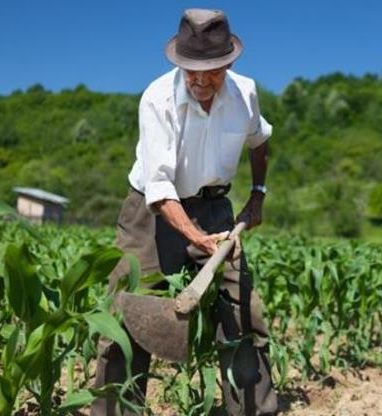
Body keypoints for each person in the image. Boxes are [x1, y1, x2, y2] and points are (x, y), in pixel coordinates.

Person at [91, 8, 277, 415]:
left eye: (208, 70)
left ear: (227, 63)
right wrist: (194, 237)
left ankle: (252, 409)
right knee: (126, 313)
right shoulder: (158, 99)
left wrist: (258, 193)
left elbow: (259, 139)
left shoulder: (245, 93)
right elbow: (159, 190)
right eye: (189, 68)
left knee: (242, 309)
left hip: (215, 209)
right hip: (150, 214)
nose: (197, 79)